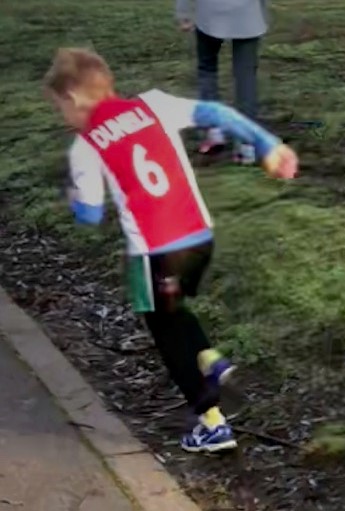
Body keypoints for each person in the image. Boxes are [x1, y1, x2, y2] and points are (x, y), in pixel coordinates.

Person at [44, 47, 298, 454]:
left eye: (61, 109)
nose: (64, 117)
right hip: (199, 240)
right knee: (176, 312)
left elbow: (90, 215)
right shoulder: (154, 104)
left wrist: (73, 193)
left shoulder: (86, 146)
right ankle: (209, 359)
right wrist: (268, 145)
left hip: (154, 253)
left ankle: (211, 421)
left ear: (72, 99)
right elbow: (218, 114)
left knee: (165, 332)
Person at [175, 0, 269, 163]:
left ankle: (213, 131)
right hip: (248, 14)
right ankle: (247, 146)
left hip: (210, 12)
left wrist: (183, 12)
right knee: (246, 78)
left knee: (207, 69)